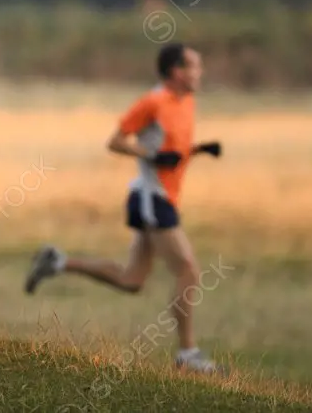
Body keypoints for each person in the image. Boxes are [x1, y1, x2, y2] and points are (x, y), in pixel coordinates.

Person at [23, 42, 222, 373]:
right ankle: (188, 355)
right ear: (177, 71)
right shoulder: (153, 102)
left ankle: (57, 261)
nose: (200, 72)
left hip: (166, 198)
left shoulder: (186, 102)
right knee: (188, 269)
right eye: (194, 66)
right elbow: (115, 142)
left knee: (132, 280)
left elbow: (172, 148)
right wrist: (150, 157)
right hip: (151, 198)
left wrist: (200, 149)